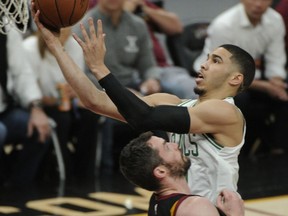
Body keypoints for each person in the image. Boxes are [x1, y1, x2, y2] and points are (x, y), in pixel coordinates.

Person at [32, 8, 255, 204]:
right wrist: (56, 47)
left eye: (216, 61)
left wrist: (100, 69)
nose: (204, 64)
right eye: (207, 58)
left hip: (210, 210)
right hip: (178, 206)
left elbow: (144, 118)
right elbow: (95, 101)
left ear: (235, 79)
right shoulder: (173, 102)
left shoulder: (226, 112)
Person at [193, 0, 288, 155]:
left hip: (250, 74)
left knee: (283, 93)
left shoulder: (275, 20)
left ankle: (276, 149)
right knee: (239, 98)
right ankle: (233, 148)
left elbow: (275, 60)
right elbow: (221, 71)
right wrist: (266, 87)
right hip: (214, 76)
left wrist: (276, 82)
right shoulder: (224, 25)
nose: (258, 4)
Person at [22, 28, 101, 182]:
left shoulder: (74, 46)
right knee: (62, 119)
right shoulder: (29, 47)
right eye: (59, 26)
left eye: (66, 26)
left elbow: (76, 80)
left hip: (66, 102)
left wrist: (75, 92)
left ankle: (86, 174)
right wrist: (47, 100)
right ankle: (65, 173)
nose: (63, 31)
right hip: (38, 105)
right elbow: (27, 88)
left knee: (91, 116)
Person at [119, 132, 245, 216]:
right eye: (167, 147)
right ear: (161, 171)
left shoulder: (156, 202)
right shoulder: (195, 207)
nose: (175, 145)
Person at [0, 27, 50, 186]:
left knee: (40, 128)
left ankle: (17, 188)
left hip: (4, 109)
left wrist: (36, 107)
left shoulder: (5, 27)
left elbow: (22, 72)